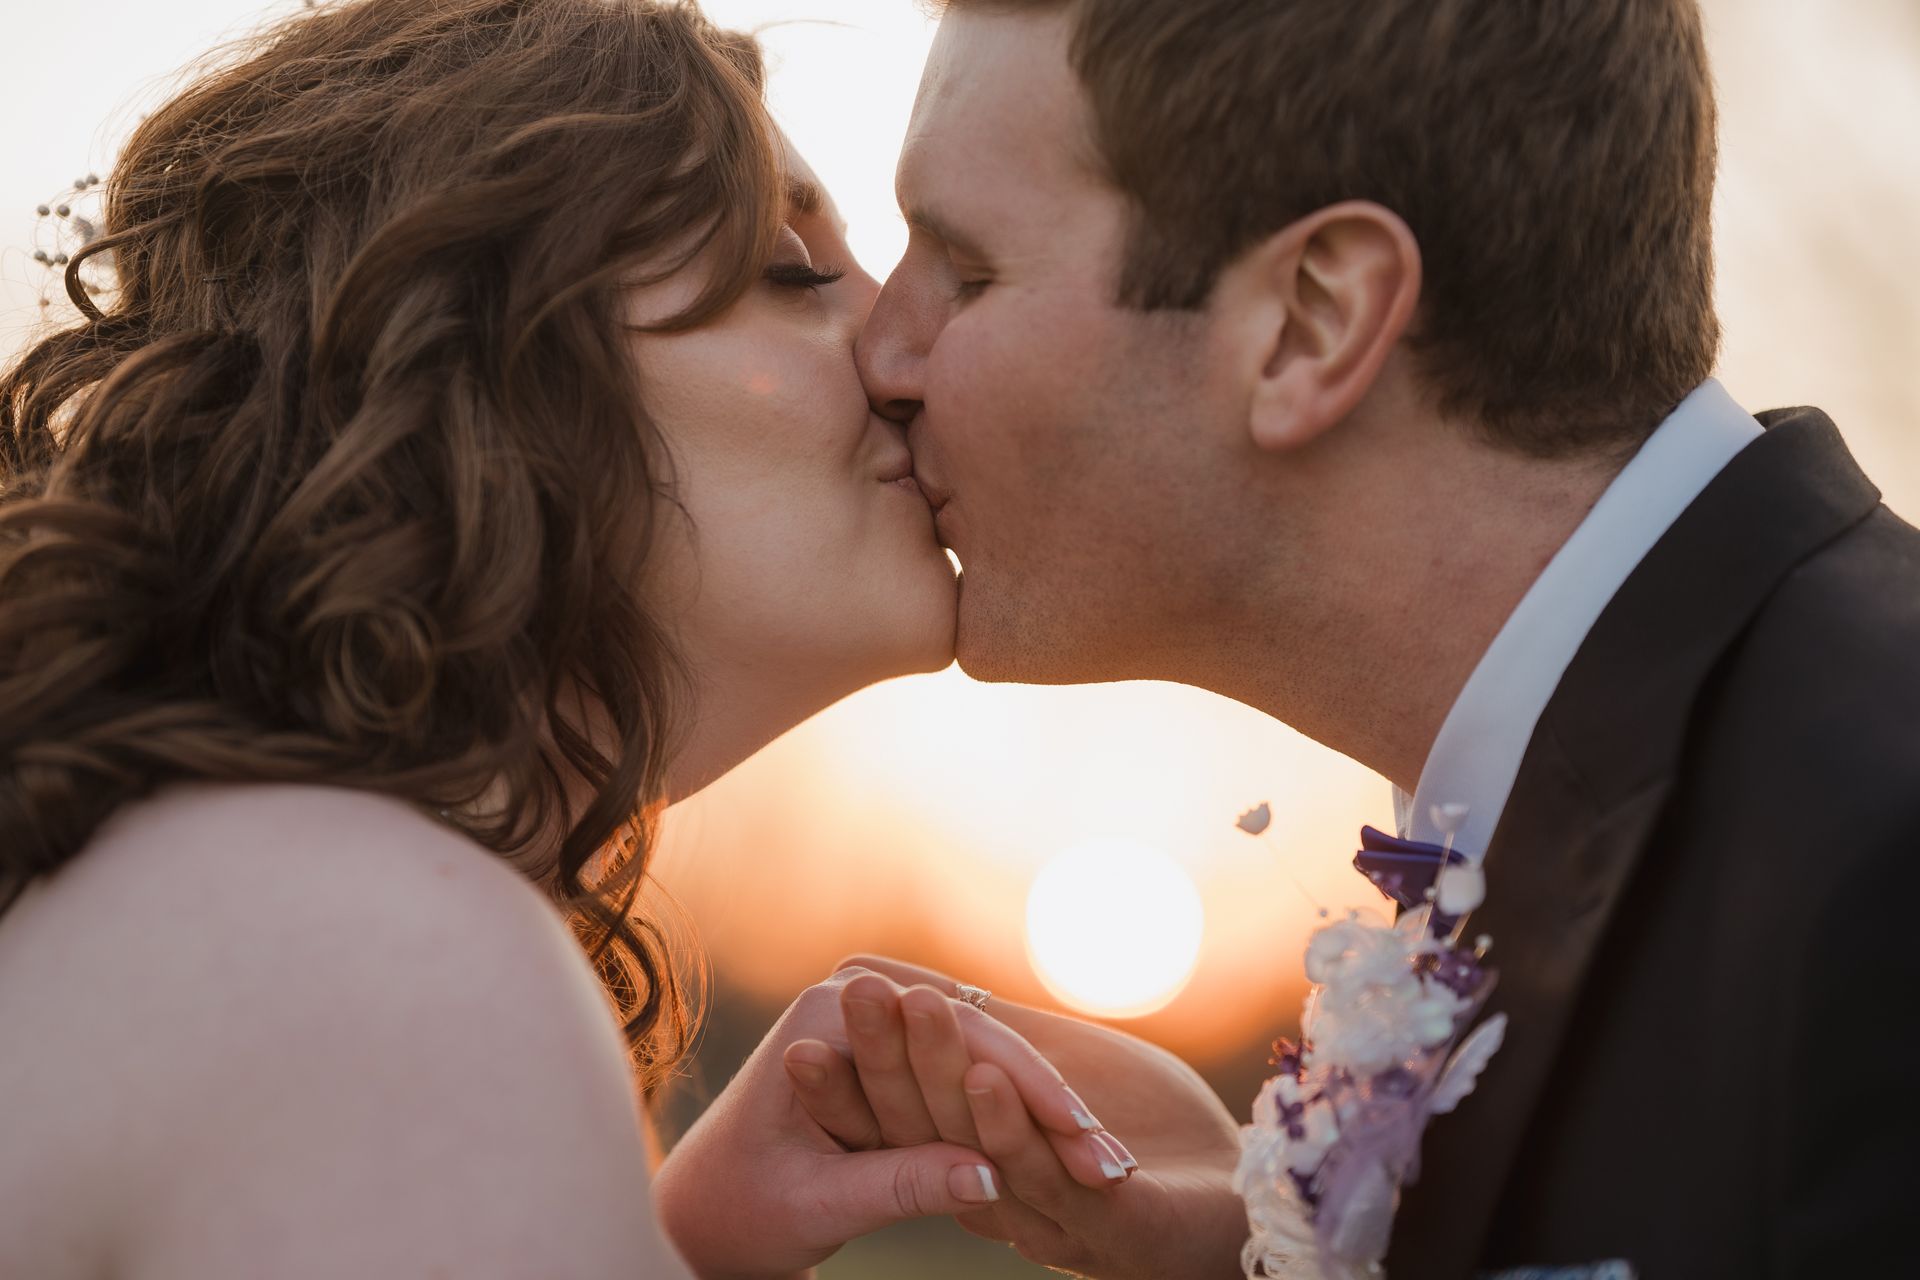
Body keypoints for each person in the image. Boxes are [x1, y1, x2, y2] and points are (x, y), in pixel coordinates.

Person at [0, 2, 1203, 1276]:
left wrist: (676, 1249)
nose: (908, 351)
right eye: (788, 269)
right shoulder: (373, 946)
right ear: (485, 377)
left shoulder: (249, 896)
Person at [830, 0, 1919, 1276]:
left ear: (1312, 320)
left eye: (964, 269)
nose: (885, 352)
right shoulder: (1579, 825)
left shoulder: (1880, 864)